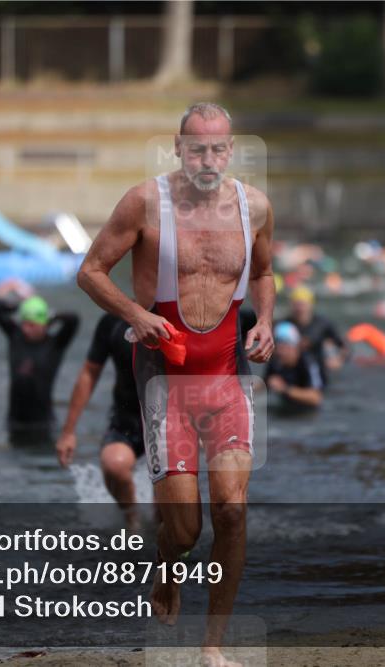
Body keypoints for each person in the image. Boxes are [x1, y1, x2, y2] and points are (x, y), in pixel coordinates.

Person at [77, 102, 275, 667]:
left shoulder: (254, 207)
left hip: (227, 375)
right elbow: (90, 271)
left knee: (233, 511)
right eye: (196, 148)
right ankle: (169, 564)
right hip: (164, 380)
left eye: (217, 149)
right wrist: (134, 317)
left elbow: (262, 273)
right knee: (184, 530)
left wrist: (264, 320)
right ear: (178, 147)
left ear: (231, 150)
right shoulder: (145, 203)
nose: (207, 159)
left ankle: (213, 645)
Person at [55, 313, 144, 528]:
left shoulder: (180, 318)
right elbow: (89, 372)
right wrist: (68, 431)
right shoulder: (114, 322)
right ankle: (133, 518)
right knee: (114, 465)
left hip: (170, 424)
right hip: (126, 420)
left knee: (169, 517)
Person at [0, 279, 79, 445]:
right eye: (24, 323)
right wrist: (18, 301)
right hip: (14, 422)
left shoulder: (55, 344)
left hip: (43, 424)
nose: (26, 329)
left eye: (32, 325)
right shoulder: (16, 337)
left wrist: (50, 316)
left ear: (43, 324)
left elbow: (73, 320)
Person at [285, 285, 348, 386]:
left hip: (318, 370)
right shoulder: (285, 324)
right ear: (291, 305)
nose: (300, 309)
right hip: (292, 372)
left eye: (302, 304)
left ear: (310, 304)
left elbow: (345, 346)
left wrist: (338, 360)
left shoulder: (322, 324)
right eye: (296, 304)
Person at [264, 322, 323, 412]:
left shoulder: (307, 363)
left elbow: (316, 398)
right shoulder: (275, 361)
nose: (280, 352)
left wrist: (285, 389)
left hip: (307, 412)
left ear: (295, 347)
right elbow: (263, 384)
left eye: (284, 346)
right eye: (277, 346)